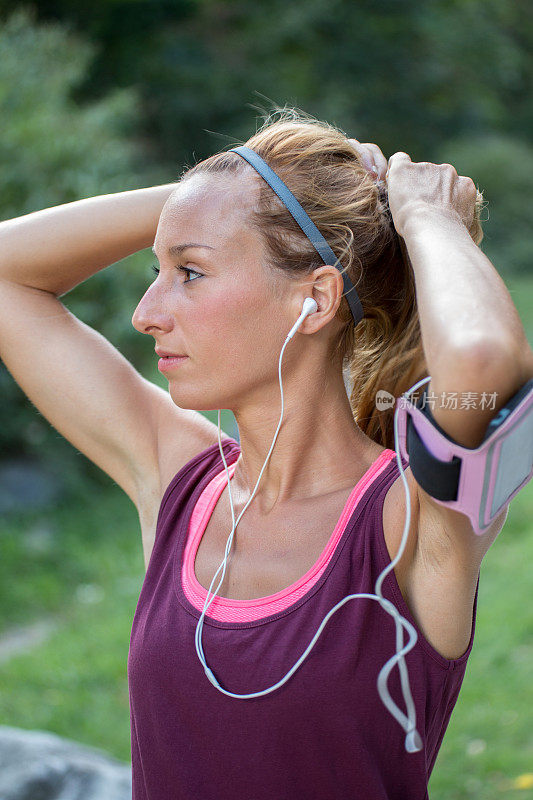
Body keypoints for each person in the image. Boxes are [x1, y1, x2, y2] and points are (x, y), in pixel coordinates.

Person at [1, 108, 531, 799]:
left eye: (189, 272)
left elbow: (483, 361)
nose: (146, 311)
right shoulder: (178, 483)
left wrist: (427, 218)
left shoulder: (410, 521)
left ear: (313, 300)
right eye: (159, 269)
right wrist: (228, 195)